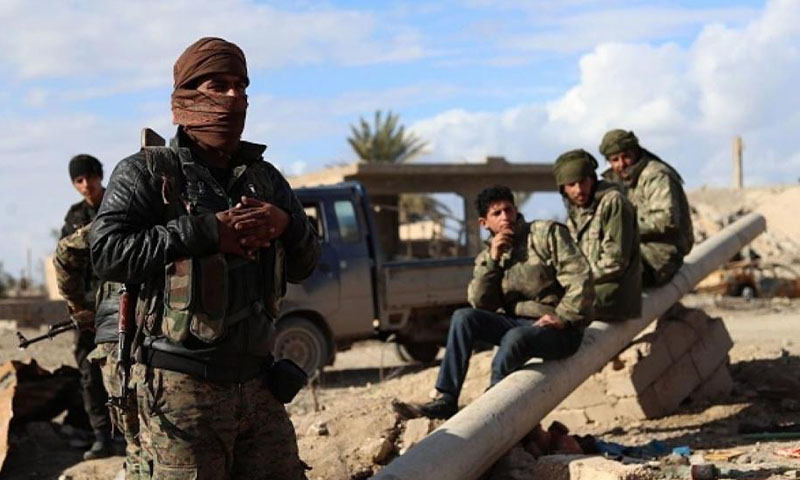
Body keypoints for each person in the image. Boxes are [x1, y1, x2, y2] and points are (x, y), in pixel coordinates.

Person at [90, 37, 319, 479]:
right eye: (219, 84)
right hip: (181, 387)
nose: (234, 98)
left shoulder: (265, 179)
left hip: (256, 384)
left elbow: (306, 264)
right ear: (188, 96)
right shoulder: (147, 172)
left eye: (241, 87)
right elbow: (107, 252)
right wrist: (207, 232)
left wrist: (286, 227)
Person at [393, 185, 594, 420]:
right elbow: (481, 303)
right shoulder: (488, 255)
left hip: (560, 329)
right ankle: (446, 398)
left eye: (508, 210)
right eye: (497, 214)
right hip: (519, 324)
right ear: (484, 223)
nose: (505, 217)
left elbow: (581, 278)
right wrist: (493, 261)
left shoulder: (546, 234)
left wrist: (563, 316)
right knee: (463, 317)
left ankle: (492, 409)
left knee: (514, 338)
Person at [55, 154, 112, 459]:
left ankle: (127, 434)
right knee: (89, 374)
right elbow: (66, 262)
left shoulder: (116, 203)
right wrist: (78, 309)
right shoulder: (75, 216)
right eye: (79, 180)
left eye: (89, 177)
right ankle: (101, 434)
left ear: (99, 175)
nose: (86, 185)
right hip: (87, 309)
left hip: (118, 304)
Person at [553, 149, 642, 321]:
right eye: (571, 185)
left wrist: (575, 280)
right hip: (591, 291)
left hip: (613, 297)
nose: (579, 190)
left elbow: (615, 262)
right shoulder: (577, 213)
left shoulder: (613, 202)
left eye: (583, 182)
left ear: (592, 179)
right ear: (563, 189)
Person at [599, 130, 694, 286]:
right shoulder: (614, 181)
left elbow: (665, 220)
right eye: (615, 160)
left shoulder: (656, 176)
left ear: (636, 152)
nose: (621, 164)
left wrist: (620, 228)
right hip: (633, 248)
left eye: (626, 156)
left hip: (659, 254)